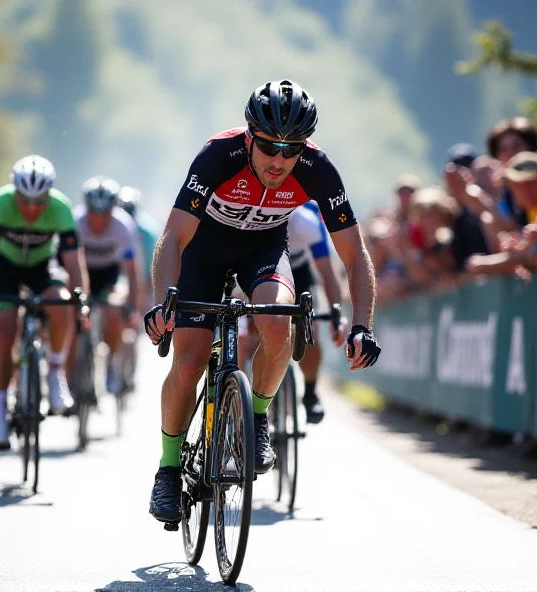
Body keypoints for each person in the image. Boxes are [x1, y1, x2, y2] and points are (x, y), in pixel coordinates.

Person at [143, 79, 381, 524]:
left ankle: (255, 422)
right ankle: (169, 469)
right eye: (270, 146)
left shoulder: (318, 168)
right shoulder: (219, 155)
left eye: (291, 150)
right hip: (202, 252)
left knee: (277, 323)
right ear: (250, 136)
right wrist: (162, 303)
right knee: (190, 359)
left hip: (263, 249)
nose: (279, 160)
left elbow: (354, 254)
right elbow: (173, 237)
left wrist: (362, 324)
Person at [0, 155, 89, 450]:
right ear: (15, 192)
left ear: (49, 195)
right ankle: (0, 412)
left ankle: (54, 373)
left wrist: (81, 301)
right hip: (6, 267)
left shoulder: (61, 208)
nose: (32, 208)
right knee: (4, 329)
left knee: (62, 302)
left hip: (42, 266)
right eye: (25, 200)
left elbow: (74, 263)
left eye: (40, 201)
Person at [238, 202, 347, 424]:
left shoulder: (306, 221)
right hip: (256, 270)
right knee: (246, 333)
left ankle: (310, 392)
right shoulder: (251, 215)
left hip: (298, 274)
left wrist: (336, 313)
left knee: (309, 335)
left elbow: (327, 271)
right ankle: (239, 400)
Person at [72, 176, 141, 395]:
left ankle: (112, 364)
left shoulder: (123, 226)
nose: (100, 220)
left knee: (113, 311)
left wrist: (131, 308)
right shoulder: (75, 222)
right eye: (94, 214)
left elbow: (132, 272)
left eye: (105, 214)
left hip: (110, 274)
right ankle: (71, 373)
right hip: (80, 272)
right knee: (70, 316)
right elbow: (65, 263)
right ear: (86, 208)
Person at [118, 185, 161, 313]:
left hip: (145, 274)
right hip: (121, 273)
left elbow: (151, 261)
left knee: (145, 306)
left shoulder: (148, 231)